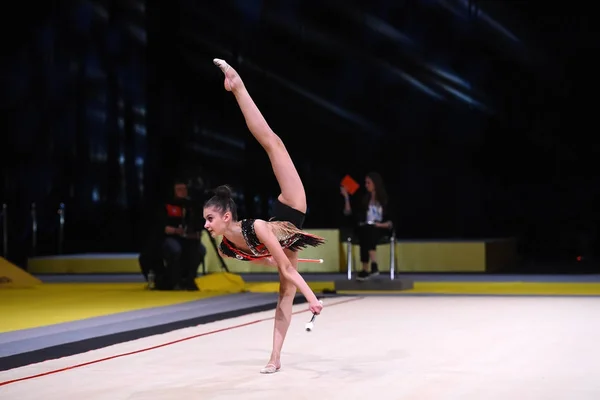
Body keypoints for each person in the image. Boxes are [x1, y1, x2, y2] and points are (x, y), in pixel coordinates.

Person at [203, 58, 325, 374]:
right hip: (283, 240)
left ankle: (238, 86)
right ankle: (275, 358)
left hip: (290, 210)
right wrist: (270, 258)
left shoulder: (254, 227)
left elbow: (284, 265)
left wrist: (312, 298)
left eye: (209, 219)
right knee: (283, 295)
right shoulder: (226, 247)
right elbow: (271, 262)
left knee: (273, 143)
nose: (205, 225)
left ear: (227, 216)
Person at [341, 172, 394, 280]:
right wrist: (346, 197)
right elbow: (348, 213)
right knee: (366, 231)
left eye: (368, 183)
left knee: (366, 233)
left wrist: (380, 224)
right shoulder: (364, 199)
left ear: (375, 183)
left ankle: (365, 269)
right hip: (367, 230)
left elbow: (392, 221)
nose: (366, 185)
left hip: (381, 229)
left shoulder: (385, 199)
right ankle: (373, 265)